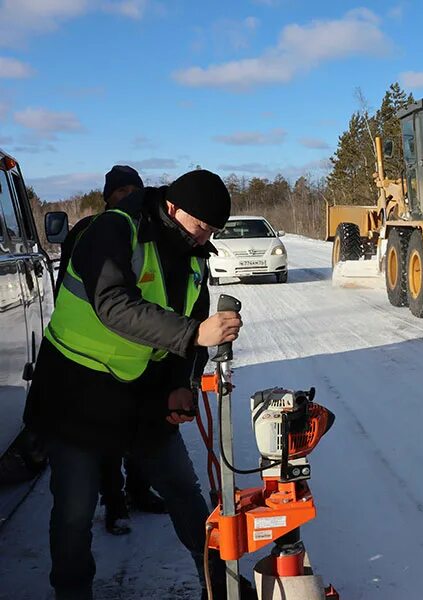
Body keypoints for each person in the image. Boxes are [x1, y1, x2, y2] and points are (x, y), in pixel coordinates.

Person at [24, 169, 248, 599]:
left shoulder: (193, 251)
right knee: (74, 511)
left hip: (142, 395)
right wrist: (193, 334)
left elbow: (191, 317)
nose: (205, 238)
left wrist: (181, 381)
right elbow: (113, 304)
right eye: (201, 227)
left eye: (212, 232)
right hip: (76, 391)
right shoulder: (113, 230)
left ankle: (220, 585)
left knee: (183, 490)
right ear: (172, 208)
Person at [54, 165, 167, 537]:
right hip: (95, 357)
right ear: (107, 197)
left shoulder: (146, 234)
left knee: (135, 431)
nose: (128, 195)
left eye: (134, 189)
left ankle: (139, 492)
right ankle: (114, 505)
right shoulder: (90, 231)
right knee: (105, 443)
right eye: (120, 191)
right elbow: (66, 288)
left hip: (137, 352)